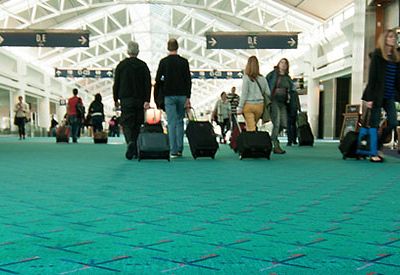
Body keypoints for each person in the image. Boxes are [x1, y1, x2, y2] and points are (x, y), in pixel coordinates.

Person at [362, 29, 400, 162]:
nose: (393, 39)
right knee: (374, 123)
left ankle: (377, 146)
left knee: (393, 122)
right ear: (384, 39)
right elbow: (372, 78)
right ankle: (373, 153)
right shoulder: (377, 55)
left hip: (389, 95)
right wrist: (369, 98)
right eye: (390, 37)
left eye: (394, 37)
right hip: (377, 95)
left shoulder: (396, 57)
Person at [113, 41, 151, 160]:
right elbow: (147, 84)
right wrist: (147, 99)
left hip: (126, 99)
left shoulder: (121, 65)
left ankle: (130, 142)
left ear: (128, 51)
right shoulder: (143, 66)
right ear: (138, 52)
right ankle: (134, 146)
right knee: (137, 123)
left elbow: (116, 83)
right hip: (139, 99)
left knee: (126, 123)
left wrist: (115, 99)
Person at [155, 38, 191, 158]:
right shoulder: (184, 62)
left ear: (168, 48)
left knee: (171, 122)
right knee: (180, 121)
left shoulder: (163, 62)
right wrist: (188, 97)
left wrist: (157, 97)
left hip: (169, 96)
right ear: (177, 47)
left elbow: (158, 80)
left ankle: (173, 150)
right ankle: (180, 148)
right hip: (182, 95)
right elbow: (188, 80)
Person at [266, 58, 295, 154]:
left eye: (285, 63)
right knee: (277, 123)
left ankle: (271, 139)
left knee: (284, 123)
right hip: (273, 100)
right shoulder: (273, 74)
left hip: (283, 102)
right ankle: (276, 145)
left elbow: (292, 90)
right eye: (281, 62)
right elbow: (266, 84)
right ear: (278, 64)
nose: (283, 64)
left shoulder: (288, 77)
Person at [237, 56, 270, 132]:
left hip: (248, 106)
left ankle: (252, 142)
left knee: (250, 127)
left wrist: (240, 107)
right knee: (253, 124)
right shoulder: (262, 78)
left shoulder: (246, 78)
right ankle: (256, 138)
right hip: (259, 106)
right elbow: (268, 92)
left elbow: (244, 94)